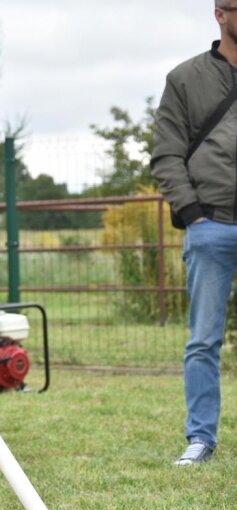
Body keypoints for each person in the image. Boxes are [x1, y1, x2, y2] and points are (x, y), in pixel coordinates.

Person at [151, 2, 237, 467]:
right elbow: (166, 154)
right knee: (204, 341)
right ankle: (201, 439)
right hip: (212, 227)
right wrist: (193, 214)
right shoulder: (185, 78)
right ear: (220, 14)